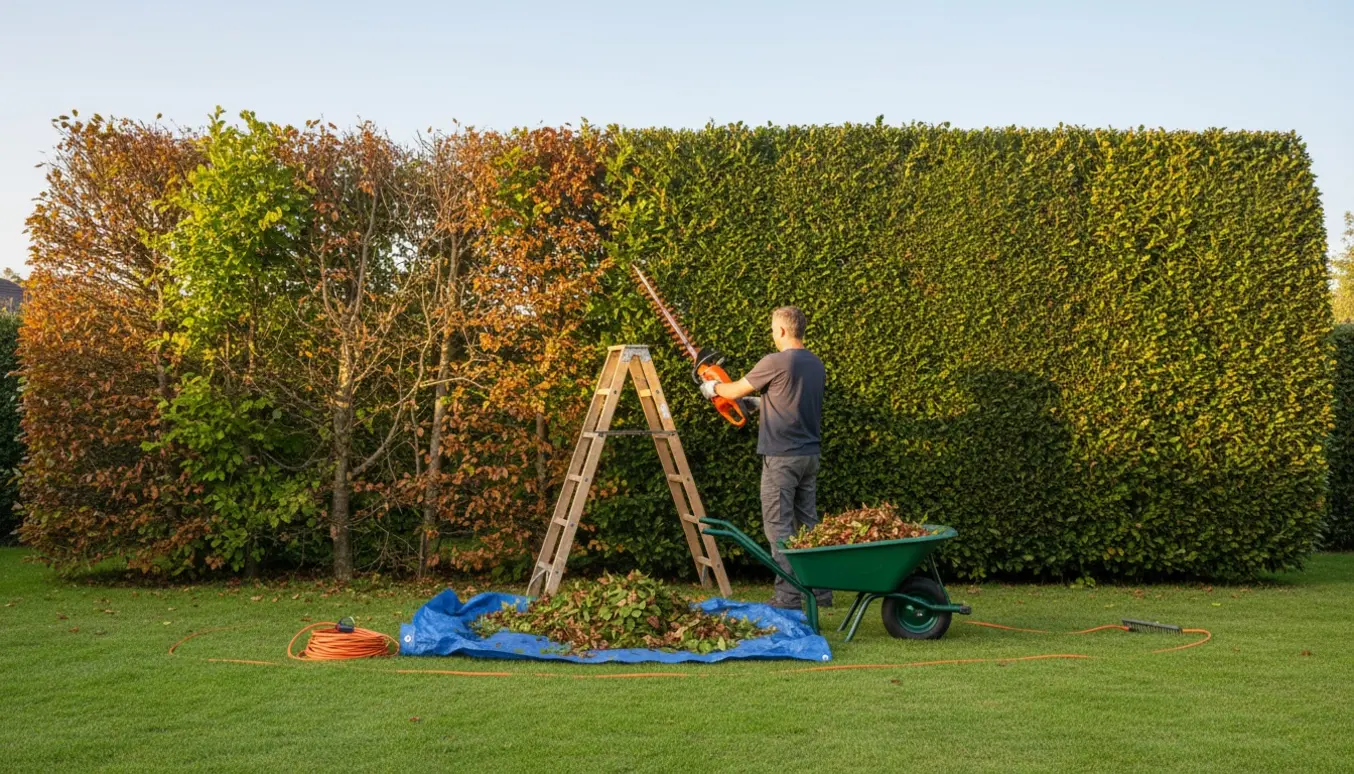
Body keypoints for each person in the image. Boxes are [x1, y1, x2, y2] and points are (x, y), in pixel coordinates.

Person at [700, 306, 831, 610]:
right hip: (809, 455)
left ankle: (788, 597)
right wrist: (759, 404)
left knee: (779, 527)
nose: (772, 335)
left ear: (783, 330)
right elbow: (793, 401)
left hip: (781, 457)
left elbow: (733, 390)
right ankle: (821, 592)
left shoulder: (776, 361)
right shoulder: (815, 364)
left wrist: (712, 387)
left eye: (773, 329)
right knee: (808, 524)